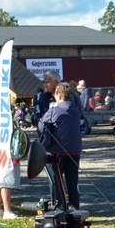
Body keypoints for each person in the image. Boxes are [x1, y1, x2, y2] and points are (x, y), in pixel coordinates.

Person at [39, 82, 83, 210]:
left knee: (56, 183)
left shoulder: (54, 110)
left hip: (56, 152)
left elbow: (41, 126)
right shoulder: (76, 111)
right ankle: (75, 209)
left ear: (58, 95)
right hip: (74, 151)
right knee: (72, 183)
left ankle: (58, 209)